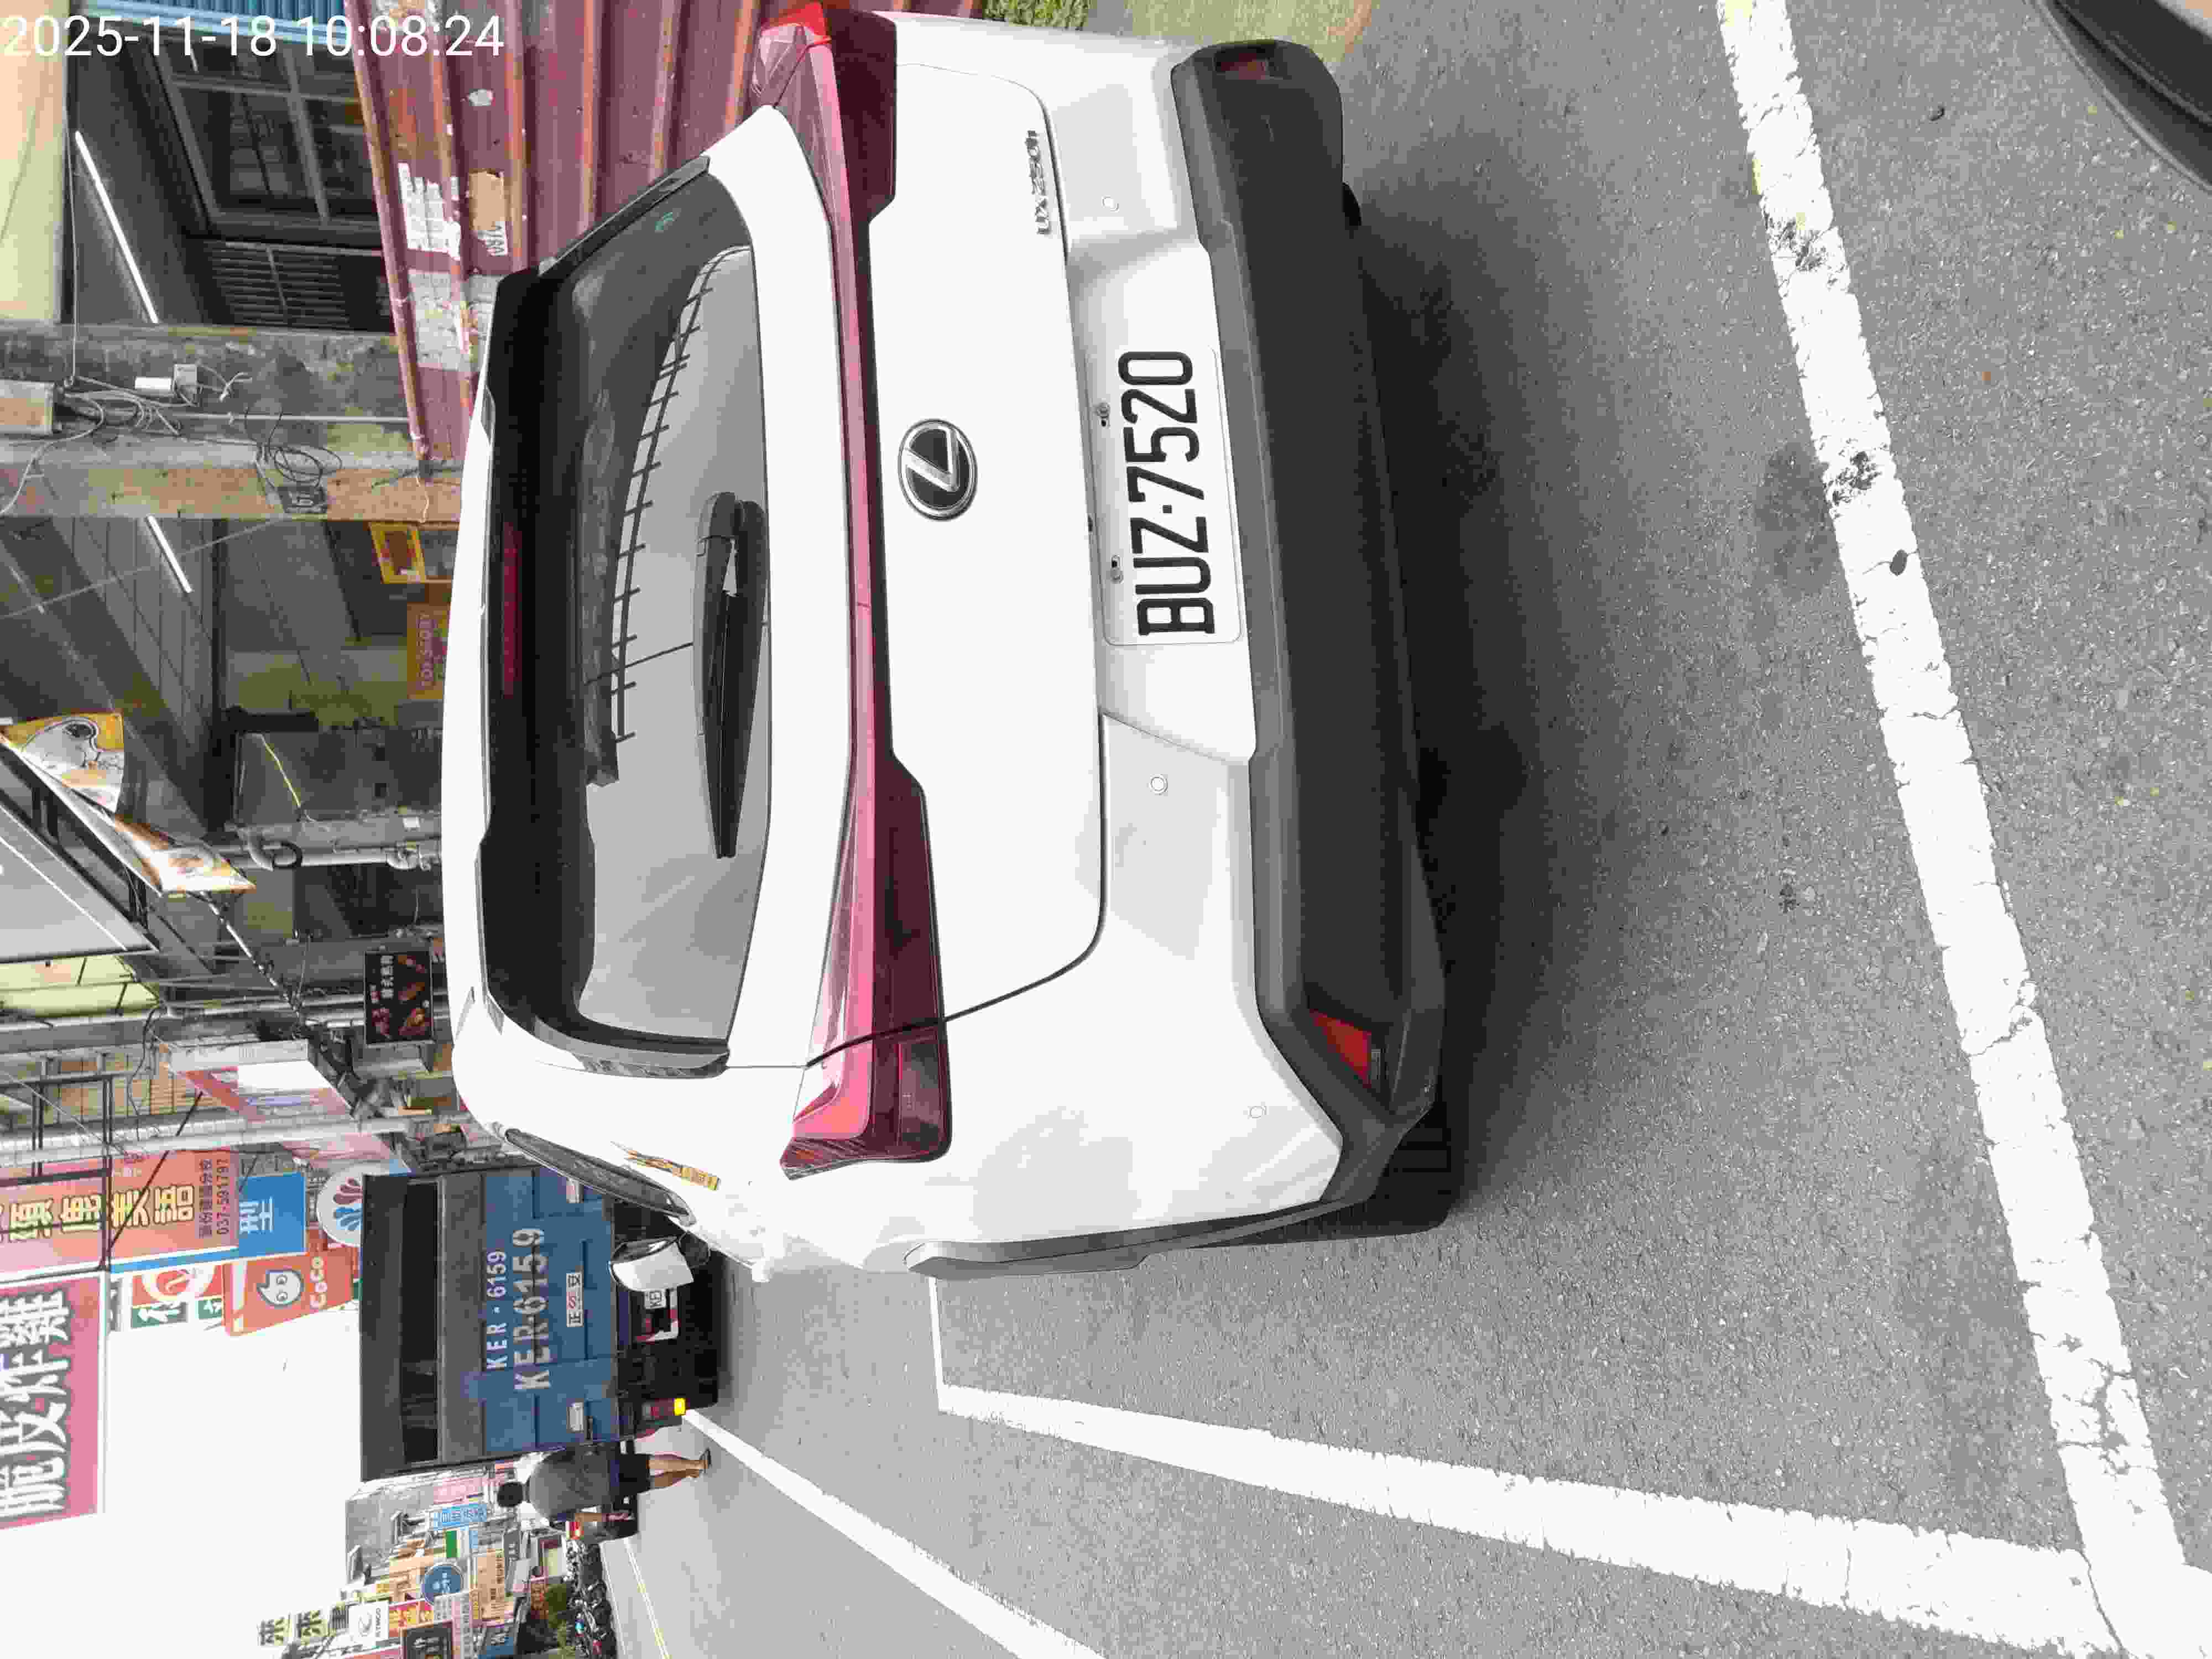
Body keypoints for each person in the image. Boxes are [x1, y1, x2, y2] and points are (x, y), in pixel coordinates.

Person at [495, 1443, 711, 1528]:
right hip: (606, 1466)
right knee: (649, 1463)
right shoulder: (542, 1467)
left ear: (516, 1503)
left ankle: (689, 1472)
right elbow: (574, 1451)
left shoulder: (546, 1513)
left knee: (652, 1483)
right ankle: (696, 1464)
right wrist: (596, 1448)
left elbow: (579, 1517)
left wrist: (608, 1517)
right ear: (514, 1483)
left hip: (610, 1492)